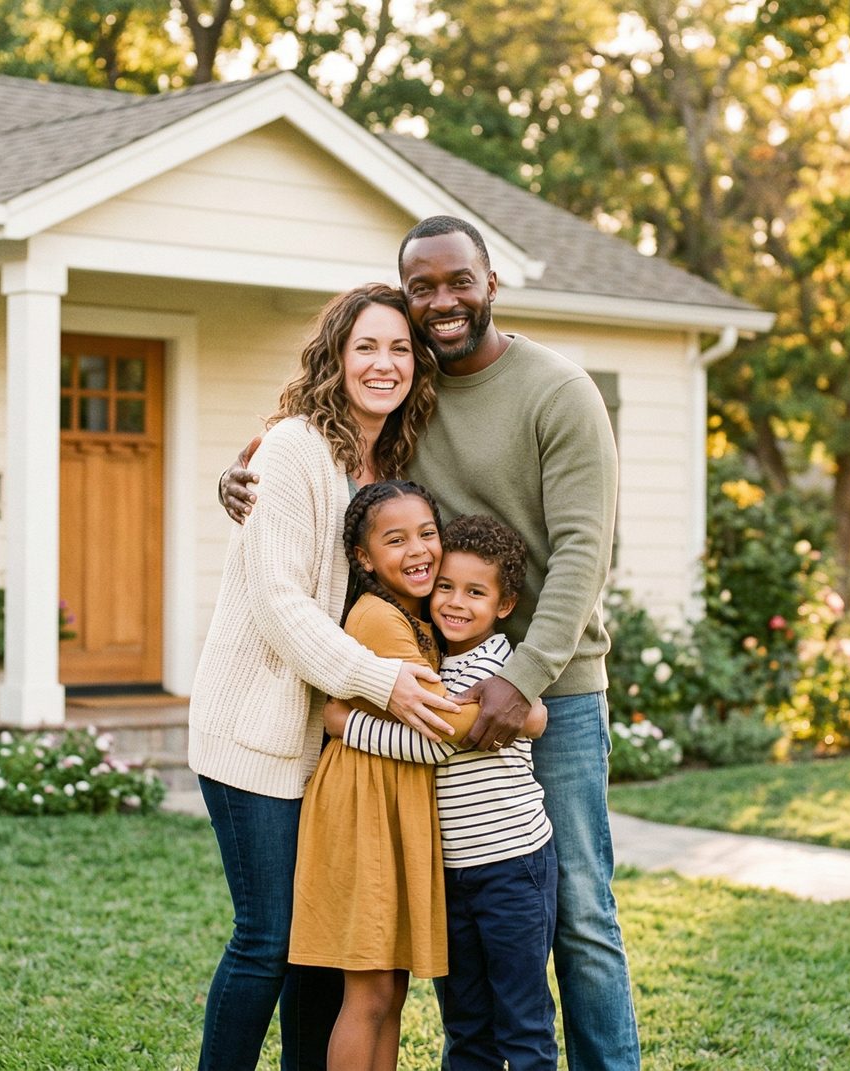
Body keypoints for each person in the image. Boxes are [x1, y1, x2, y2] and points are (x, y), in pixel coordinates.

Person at [221, 216, 640, 1068]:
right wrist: (245, 469)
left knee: (582, 915)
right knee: (464, 914)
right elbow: (328, 433)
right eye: (424, 288)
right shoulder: (413, 389)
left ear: (492, 284)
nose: (442, 302)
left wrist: (520, 679)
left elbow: (585, 555)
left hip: (548, 686)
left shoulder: (560, 391)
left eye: (459, 282)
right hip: (440, 683)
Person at [188, 283, 464, 1071]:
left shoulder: (395, 458)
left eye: (401, 348)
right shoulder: (293, 448)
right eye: (367, 347)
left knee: (318, 949)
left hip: (325, 736)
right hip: (253, 730)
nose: (385, 363)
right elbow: (278, 599)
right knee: (268, 939)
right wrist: (380, 679)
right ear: (335, 357)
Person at [329, 514, 557, 1070]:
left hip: (513, 866)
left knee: (522, 1023)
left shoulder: (502, 671)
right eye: (446, 587)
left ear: (504, 606)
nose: (456, 602)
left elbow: (439, 745)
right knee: (466, 1024)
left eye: (476, 592)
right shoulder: (426, 663)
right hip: (450, 874)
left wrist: (345, 727)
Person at [289, 480, 456, 1070]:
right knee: (369, 992)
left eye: (428, 533)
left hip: (392, 803)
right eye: (396, 539)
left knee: (391, 988)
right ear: (364, 558)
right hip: (364, 808)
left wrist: (345, 720)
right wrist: (529, 711)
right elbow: (450, 725)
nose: (419, 550)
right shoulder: (382, 621)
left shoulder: (415, 617)